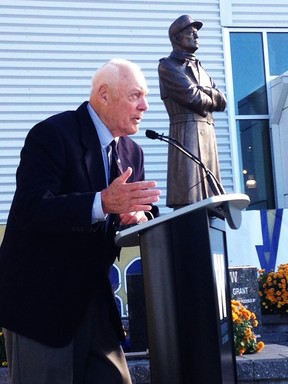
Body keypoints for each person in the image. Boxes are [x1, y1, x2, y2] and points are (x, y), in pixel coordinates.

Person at [0, 59, 161, 384]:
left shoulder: (133, 153)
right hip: (41, 304)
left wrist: (137, 219)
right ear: (103, 95)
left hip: (95, 302)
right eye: (135, 96)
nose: (145, 105)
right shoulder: (52, 135)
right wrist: (102, 203)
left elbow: (139, 210)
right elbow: (33, 209)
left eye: (144, 96)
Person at [158, 15, 227, 208]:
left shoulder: (201, 68)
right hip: (187, 134)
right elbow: (193, 98)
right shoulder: (168, 66)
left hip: (208, 137)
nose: (196, 36)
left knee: (212, 200)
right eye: (190, 32)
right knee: (190, 198)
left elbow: (223, 101)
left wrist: (205, 93)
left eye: (197, 32)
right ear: (177, 38)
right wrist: (207, 94)